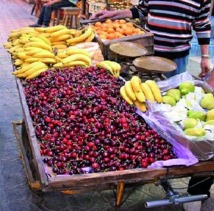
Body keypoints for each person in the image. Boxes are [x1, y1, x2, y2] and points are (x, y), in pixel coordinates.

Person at [90, 0, 212, 78]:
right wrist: (111, 14)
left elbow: (202, 26)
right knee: (146, 96)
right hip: (148, 55)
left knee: (172, 98)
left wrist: (205, 57)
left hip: (177, 58)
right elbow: (140, 10)